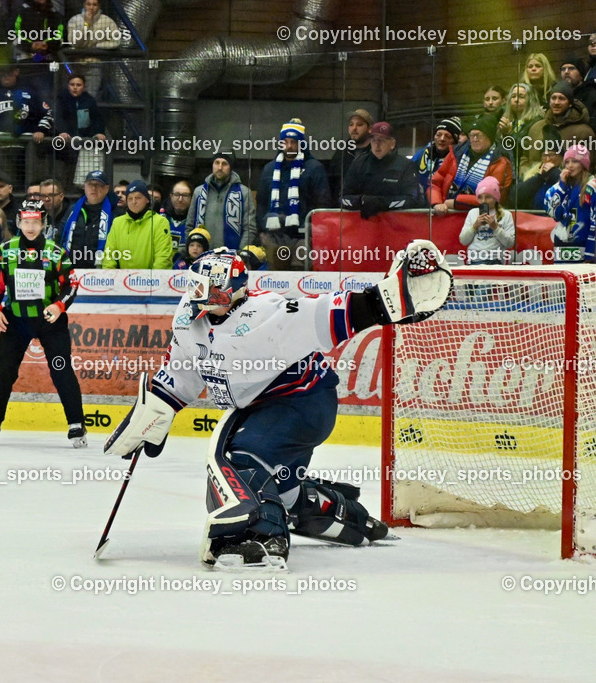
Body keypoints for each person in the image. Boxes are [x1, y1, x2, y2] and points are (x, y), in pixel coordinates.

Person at [103, 242, 453, 568]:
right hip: (262, 408)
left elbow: (331, 311)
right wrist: (156, 412)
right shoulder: (187, 316)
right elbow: (182, 373)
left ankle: (263, 536)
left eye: (205, 290)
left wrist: (388, 300)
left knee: (241, 461)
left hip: (303, 403)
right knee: (281, 487)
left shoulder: (267, 314)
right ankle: (343, 515)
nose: (195, 296)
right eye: (193, 286)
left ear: (231, 291)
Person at [0, 200, 85, 447]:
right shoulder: (5, 251)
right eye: (26, 222)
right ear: (18, 222)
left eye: (35, 222)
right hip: (16, 320)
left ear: (43, 223)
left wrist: (58, 306)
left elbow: (71, 285)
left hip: (49, 321)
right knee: (3, 369)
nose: (30, 227)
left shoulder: (56, 252)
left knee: (60, 368)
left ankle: (77, 424)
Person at [255, 118, 330, 270]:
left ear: (302, 144)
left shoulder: (314, 168)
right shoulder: (269, 169)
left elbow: (323, 205)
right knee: (274, 279)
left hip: (302, 237)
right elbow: (261, 202)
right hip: (273, 237)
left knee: (299, 278)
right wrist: (262, 231)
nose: (289, 146)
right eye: (285, 141)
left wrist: (313, 234)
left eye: (294, 142)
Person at [429, 115, 512, 214]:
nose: (475, 139)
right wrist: (437, 203)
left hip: (479, 219)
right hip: (445, 214)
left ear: (489, 137)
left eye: (479, 135)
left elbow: (496, 197)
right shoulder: (456, 153)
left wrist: (456, 202)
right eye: (472, 135)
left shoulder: (500, 162)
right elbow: (435, 183)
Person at [341, 121, 421, 218]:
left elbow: (413, 199)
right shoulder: (358, 164)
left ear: (392, 143)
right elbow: (342, 198)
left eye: (382, 140)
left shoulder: (406, 166)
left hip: (396, 227)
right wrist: (361, 201)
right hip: (363, 226)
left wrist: (381, 203)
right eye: (373, 140)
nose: (377, 145)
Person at [186, 152, 256, 250]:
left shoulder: (244, 193)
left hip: (232, 254)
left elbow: (250, 228)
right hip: (202, 253)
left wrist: (240, 253)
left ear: (230, 168)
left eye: (224, 164)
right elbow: (189, 225)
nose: (220, 167)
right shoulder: (199, 192)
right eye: (216, 163)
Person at [103, 180, 173, 269]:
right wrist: (110, 277)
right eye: (130, 198)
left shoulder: (160, 222)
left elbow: (163, 257)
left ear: (147, 199)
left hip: (151, 280)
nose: (134, 201)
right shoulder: (118, 223)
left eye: (138, 198)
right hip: (122, 280)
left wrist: (155, 279)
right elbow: (109, 254)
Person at [524, 81, 596, 167]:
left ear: (570, 104)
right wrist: (527, 174)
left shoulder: (584, 132)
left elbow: (588, 166)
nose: (556, 102)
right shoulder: (536, 128)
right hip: (535, 178)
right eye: (553, 98)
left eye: (561, 98)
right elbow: (524, 158)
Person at [544, 144, 595, 263]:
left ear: (583, 164)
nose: (570, 166)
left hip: (583, 251)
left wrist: (590, 255)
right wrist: (562, 187)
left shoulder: (592, 187)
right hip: (561, 250)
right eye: (567, 162)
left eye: (575, 161)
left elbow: (594, 223)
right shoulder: (560, 186)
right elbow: (555, 215)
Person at [61, 169, 113, 267]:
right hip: (71, 268)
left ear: (106, 189)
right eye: (90, 184)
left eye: (98, 185)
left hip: (100, 271)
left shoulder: (114, 212)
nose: (93, 188)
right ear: (84, 187)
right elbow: (60, 235)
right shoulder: (73, 210)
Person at [459, 177, 515, 265]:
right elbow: (463, 240)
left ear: (495, 198)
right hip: (474, 260)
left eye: (488, 197)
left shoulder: (506, 215)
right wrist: (474, 226)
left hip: (496, 260)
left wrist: (495, 228)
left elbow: (510, 243)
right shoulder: (473, 213)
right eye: (480, 197)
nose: (483, 201)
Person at [497, 84, 544, 182]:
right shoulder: (510, 120)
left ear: (531, 100)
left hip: (527, 172)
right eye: (513, 96)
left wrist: (509, 133)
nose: (516, 100)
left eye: (521, 97)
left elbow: (526, 150)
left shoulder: (537, 122)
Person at [328, 108, 373, 204]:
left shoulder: (376, 153)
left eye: (359, 124)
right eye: (351, 124)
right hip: (344, 211)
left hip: (371, 211)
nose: (354, 128)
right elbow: (332, 185)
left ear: (370, 129)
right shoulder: (341, 153)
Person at [411, 118, 461, 197]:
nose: (442, 139)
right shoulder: (421, 154)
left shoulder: (459, 160)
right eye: (438, 135)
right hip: (421, 205)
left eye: (448, 136)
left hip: (445, 205)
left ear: (455, 141)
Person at [165, 180, 192, 249]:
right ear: (171, 196)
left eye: (185, 195)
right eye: (177, 194)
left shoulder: (195, 221)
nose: (180, 199)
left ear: (191, 198)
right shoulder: (161, 218)